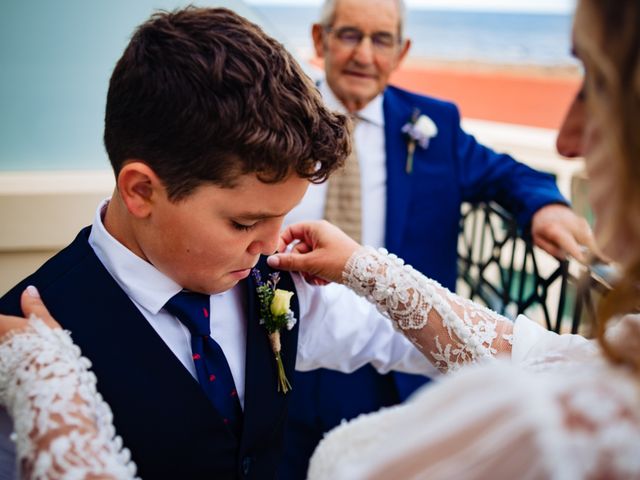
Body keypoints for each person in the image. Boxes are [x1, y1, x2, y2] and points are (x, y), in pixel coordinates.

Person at [0, 7, 438, 479]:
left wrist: (367, 272)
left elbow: (410, 340)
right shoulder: (24, 341)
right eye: (243, 222)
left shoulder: (277, 282)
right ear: (141, 191)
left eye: (283, 216)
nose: (270, 244)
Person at [267, 0, 640, 476]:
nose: (365, 54)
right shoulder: (278, 115)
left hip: (398, 364)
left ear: (402, 52)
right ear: (320, 41)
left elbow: (508, 173)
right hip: (290, 357)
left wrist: (544, 205)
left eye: (381, 40)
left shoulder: (434, 125)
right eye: (349, 35)